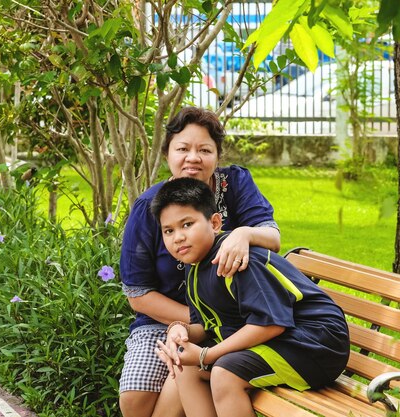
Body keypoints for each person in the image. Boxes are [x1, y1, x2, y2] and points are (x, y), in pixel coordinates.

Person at [119, 107, 281, 417]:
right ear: (167, 153)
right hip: (168, 320)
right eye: (183, 149)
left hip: (235, 318)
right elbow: (137, 294)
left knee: (182, 374)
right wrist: (196, 322)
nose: (193, 157)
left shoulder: (234, 185)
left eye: (204, 150)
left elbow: (272, 236)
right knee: (135, 401)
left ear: (217, 155)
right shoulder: (149, 207)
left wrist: (244, 234)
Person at [150, 177, 350, 417]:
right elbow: (205, 326)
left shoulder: (236, 260)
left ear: (214, 223)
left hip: (315, 342)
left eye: (187, 225)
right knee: (187, 368)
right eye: (168, 231)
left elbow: (272, 323)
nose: (178, 237)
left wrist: (207, 354)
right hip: (284, 339)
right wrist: (178, 331)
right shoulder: (195, 268)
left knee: (225, 373)